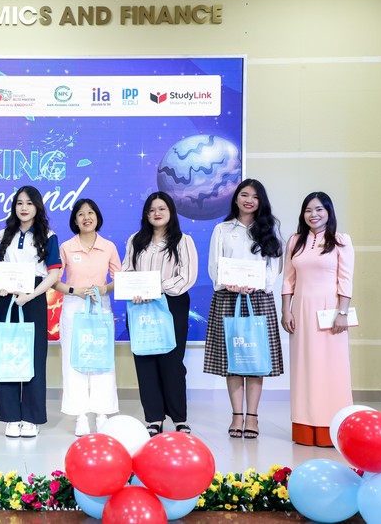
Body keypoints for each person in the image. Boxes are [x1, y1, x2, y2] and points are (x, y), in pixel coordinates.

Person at [203, 179, 284, 439]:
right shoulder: (222, 229)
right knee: (234, 359)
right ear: (236, 198)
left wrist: (258, 285)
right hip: (228, 298)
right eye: (245, 195)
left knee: (255, 359)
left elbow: (273, 267)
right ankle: (237, 415)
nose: (249, 200)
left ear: (261, 202)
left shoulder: (270, 228)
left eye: (255, 197)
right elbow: (214, 266)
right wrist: (227, 284)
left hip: (258, 298)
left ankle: (253, 417)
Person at [281, 192, 354, 447]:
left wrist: (342, 313)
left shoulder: (341, 241)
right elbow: (288, 279)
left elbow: (345, 280)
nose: (314, 215)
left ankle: (331, 429)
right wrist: (286, 310)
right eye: (308, 210)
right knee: (303, 369)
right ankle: (304, 428)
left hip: (330, 314)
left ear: (329, 212)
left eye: (319, 209)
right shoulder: (295, 241)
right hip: (301, 312)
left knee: (332, 369)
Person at [123, 192, 198, 436]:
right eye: (152, 209)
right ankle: (154, 418)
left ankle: (179, 418)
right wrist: (136, 289)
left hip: (172, 304)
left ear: (171, 212)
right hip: (140, 305)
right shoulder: (135, 240)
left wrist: (155, 288)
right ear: (146, 214)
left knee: (172, 362)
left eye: (162, 208)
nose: (157, 213)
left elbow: (187, 276)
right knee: (145, 361)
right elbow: (127, 270)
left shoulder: (183, 240)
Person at [0, 186, 62, 438]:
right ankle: (11, 416)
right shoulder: (2, 235)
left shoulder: (48, 236)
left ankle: (31, 417)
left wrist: (30, 295)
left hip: (33, 298)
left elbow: (53, 274)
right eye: (19, 203)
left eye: (29, 203)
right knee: (7, 354)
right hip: (6, 299)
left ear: (37, 206)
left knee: (33, 357)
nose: (24, 207)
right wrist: (0, 287)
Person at [54, 198, 121, 436]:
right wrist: (75, 290)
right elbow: (54, 281)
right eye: (81, 214)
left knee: (102, 359)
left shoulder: (108, 247)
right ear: (75, 220)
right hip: (74, 306)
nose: (86, 217)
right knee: (74, 360)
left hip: (100, 305)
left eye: (90, 213)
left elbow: (119, 279)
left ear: (97, 217)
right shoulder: (66, 247)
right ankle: (80, 415)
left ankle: (102, 414)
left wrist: (104, 289)